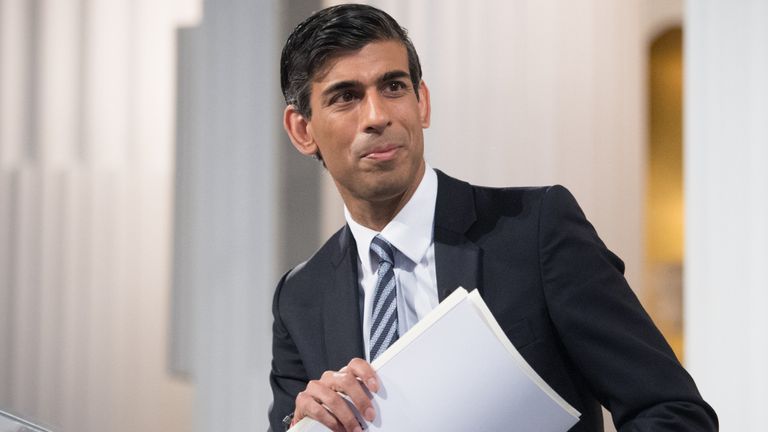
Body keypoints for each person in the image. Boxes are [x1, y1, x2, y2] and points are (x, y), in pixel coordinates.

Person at [269, 4, 717, 432]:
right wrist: (306, 426)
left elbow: (673, 412)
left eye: (393, 87)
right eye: (346, 97)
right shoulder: (301, 297)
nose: (378, 115)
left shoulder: (537, 230)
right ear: (302, 130)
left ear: (422, 103)